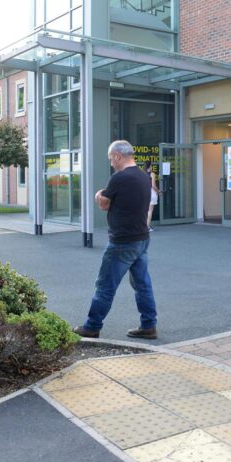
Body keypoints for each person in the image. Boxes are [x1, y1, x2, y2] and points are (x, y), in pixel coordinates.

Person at [74, 140, 158, 340]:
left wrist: (98, 194)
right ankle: (149, 325)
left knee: (105, 285)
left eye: (111, 158)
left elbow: (104, 204)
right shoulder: (143, 176)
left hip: (122, 242)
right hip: (142, 239)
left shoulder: (119, 178)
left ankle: (92, 326)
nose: (111, 162)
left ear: (118, 156)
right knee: (142, 284)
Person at [144, 162, 159, 231]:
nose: (152, 167)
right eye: (151, 166)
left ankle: (143, 226)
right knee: (150, 211)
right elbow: (153, 186)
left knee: (145, 210)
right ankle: (147, 227)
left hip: (145, 192)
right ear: (149, 166)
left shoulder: (143, 174)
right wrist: (158, 191)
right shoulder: (152, 174)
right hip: (151, 193)